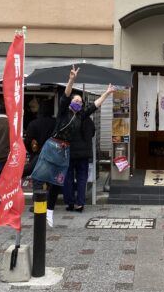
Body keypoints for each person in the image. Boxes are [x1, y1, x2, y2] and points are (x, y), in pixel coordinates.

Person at [35, 66, 113, 227]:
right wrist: (71, 80)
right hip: (52, 146)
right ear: (70, 103)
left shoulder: (81, 116)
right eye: (75, 100)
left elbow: (94, 106)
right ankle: (6, 183)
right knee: (36, 173)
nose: (78, 102)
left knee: (57, 182)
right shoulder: (64, 112)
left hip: (64, 151)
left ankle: (49, 212)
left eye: (80, 101)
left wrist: (106, 93)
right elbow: (65, 95)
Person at [63, 99, 96, 212]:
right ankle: (80, 203)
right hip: (84, 154)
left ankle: (70, 202)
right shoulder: (89, 121)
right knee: (82, 179)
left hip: (70, 153)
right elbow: (92, 133)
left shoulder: (69, 119)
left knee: (68, 178)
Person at [24, 99, 56, 177]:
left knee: (37, 182)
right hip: (53, 158)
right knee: (52, 183)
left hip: (36, 158)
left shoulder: (33, 124)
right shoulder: (55, 123)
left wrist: (32, 151)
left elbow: (27, 142)